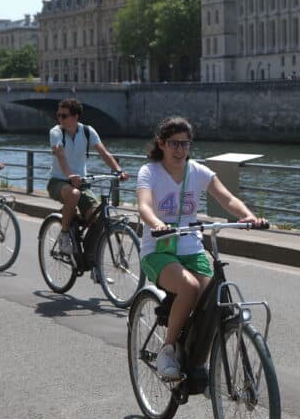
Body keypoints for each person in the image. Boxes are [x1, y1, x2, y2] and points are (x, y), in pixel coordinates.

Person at [135, 116, 264, 380]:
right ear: (161, 144)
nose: (180, 150)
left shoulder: (198, 171)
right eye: (174, 144)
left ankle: (196, 360)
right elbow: (144, 205)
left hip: (191, 248)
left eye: (185, 144)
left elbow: (227, 198)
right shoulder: (150, 172)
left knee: (213, 298)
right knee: (189, 287)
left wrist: (248, 216)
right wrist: (158, 223)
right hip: (159, 250)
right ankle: (168, 348)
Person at [46, 98, 128, 255]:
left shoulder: (87, 131)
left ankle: (90, 258)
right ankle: (64, 235)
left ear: (75, 116)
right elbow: (60, 154)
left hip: (81, 182)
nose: (60, 119)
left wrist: (118, 171)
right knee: (73, 194)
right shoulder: (56, 132)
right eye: (59, 115)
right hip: (58, 181)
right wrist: (70, 175)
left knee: (97, 219)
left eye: (64, 115)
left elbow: (103, 153)